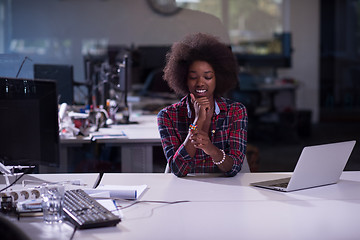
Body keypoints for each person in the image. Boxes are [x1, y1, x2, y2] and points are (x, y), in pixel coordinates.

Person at [157, 32, 248, 177]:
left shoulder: (235, 111)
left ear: (218, 78)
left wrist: (211, 149)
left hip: (228, 191)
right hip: (184, 192)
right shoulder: (167, 116)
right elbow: (178, 170)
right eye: (193, 77)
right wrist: (198, 121)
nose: (200, 83)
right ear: (184, 79)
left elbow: (234, 167)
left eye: (208, 77)